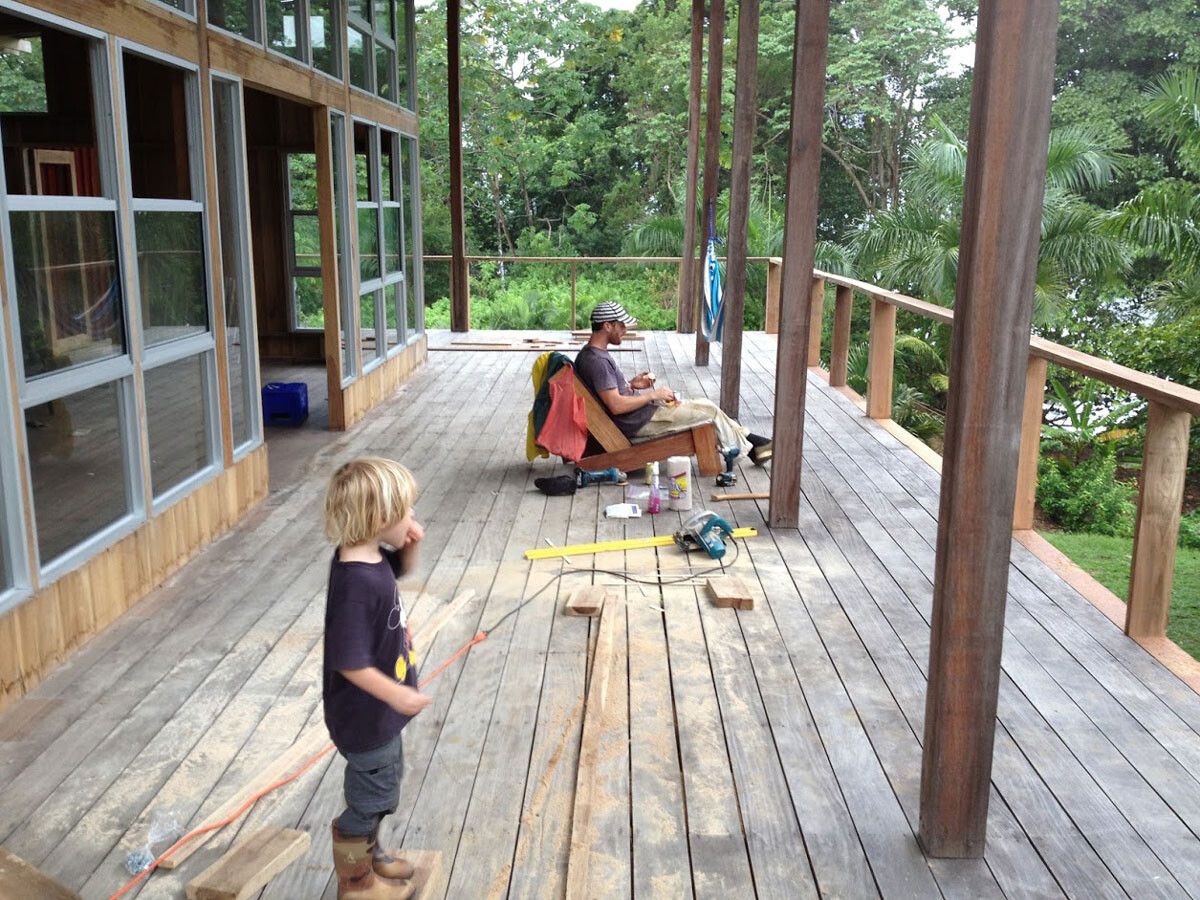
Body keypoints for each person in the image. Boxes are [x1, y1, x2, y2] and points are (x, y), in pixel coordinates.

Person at [323, 457, 432, 900]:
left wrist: (410, 544)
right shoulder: (355, 584)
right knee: (369, 799)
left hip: (379, 716)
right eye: (404, 510)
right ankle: (356, 883)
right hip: (366, 717)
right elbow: (348, 661)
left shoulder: (366, 557)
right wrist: (396, 695)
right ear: (378, 518)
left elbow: (397, 571)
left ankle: (370, 855)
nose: (411, 515)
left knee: (383, 788)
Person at [574, 301, 772, 465]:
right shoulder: (598, 362)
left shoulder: (590, 355)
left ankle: (754, 445)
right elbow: (616, 406)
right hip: (639, 422)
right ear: (607, 326)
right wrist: (653, 395)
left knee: (705, 404)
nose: (625, 330)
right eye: (621, 326)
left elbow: (610, 394)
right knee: (710, 413)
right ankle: (744, 450)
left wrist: (632, 385)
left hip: (641, 416)